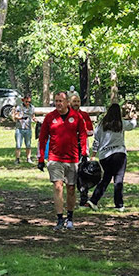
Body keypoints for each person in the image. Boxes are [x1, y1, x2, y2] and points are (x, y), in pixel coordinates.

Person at [37, 92, 88, 231]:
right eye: (56, 101)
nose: (58, 103)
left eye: (61, 101)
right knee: (58, 186)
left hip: (72, 158)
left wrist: (84, 152)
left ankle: (70, 218)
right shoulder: (50, 117)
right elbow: (42, 138)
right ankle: (59, 219)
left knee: (71, 188)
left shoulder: (76, 117)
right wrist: (41, 158)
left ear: (67, 103)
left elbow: (83, 135)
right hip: (55, 158)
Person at [86, 104, 137, 212]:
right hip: (119, 154)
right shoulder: (121, 124)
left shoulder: (101, 125)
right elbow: (132, 125)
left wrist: (93, 154)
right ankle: (119, 204)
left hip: (105, 156)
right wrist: (133, 117)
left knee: (105, 179)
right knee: (118, 180)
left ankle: (94, 200)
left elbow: (96, 141)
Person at [69, 95, 94, 206]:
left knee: (83, 172)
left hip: (83, 146)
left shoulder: (84, 115)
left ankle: (84, 198)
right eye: (74, 101)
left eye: (78, 101)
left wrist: (83, 132)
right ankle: (71, 198)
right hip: (70, 147)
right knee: (71, 173)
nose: (76, 103)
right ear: (69, 102)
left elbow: (91, 131)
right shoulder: (66, 115)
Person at [13, 96, 36, 164]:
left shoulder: (32, 107)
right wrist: (20, 117)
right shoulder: (19, 107)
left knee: (28, 145)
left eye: (29, 102)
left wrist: (35, 120)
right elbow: (15, 116)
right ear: (23, 100)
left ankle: (28, 158)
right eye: (26, 102)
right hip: (19, 128)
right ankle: (17, 159)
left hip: (28, 128)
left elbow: (33, 116)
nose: (28, 103)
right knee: (18, 145)